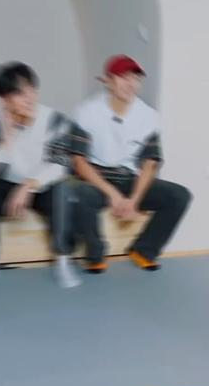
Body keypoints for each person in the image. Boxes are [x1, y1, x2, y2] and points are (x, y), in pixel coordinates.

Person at [0, 62, 89, 290]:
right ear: (4, 100)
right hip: (6, 187)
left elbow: (61, 165)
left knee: (63, 188)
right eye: (19, 93)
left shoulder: (54, 120)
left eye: (31, 89)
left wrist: (28, 186)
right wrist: (6, 139)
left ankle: (63, 261)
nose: (29, 98)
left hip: (40, 187)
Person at [71, 55, 192, 273]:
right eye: (123, 77)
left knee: (179, 196)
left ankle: (144, 250)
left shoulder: (149, 116)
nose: (130, 84)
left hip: (129, 178)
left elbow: (150, 162)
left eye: (135, 79)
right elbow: (79, 162)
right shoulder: (87, 111)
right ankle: (95, 254)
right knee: (80, 195)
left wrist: (134, 199)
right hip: (98, 179)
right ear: (108, 81)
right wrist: (113, 195)